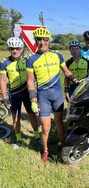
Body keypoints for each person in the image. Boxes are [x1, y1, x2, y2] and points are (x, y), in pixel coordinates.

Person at [26, 27, 78, 162]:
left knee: (60, 123)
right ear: (36, 41)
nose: (42, 42)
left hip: (57, 95)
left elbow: (66, 71)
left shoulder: (57, 55)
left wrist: (75, 80)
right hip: (43, 97)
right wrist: (33, 99)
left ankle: (62, 145)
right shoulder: (31, 59)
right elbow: (30, 81)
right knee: (45, 127)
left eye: (45, 40)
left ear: (49, 41)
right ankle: (45, 151)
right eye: (39, 40)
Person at [0, 37, 41, 148]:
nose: (15, 51)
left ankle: (37, 136)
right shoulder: (5, 63)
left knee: (32, 116)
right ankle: (18, 139)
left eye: (18, 48)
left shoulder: (28, 60)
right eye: (12, 48)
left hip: (28, 93)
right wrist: (4, 97)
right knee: (16, 118)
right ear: (9, 49)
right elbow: (3, 81)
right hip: (14, 94)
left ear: (22, 49)